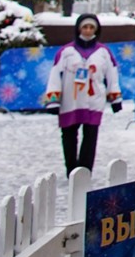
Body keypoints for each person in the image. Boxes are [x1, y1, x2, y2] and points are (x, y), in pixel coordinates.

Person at [44, 13, 123, 176]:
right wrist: (53, 100)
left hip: (94, 100)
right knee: (68, 136)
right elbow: (55, 76)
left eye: (91, 27)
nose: (88, 31)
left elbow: (112, 76)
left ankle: (85, 172)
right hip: (70, 100)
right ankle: (71, 170)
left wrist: (115, 98)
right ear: (79, 28)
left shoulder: (103, 52)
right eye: (85, 27)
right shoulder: (66, 52)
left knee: (90, 137)